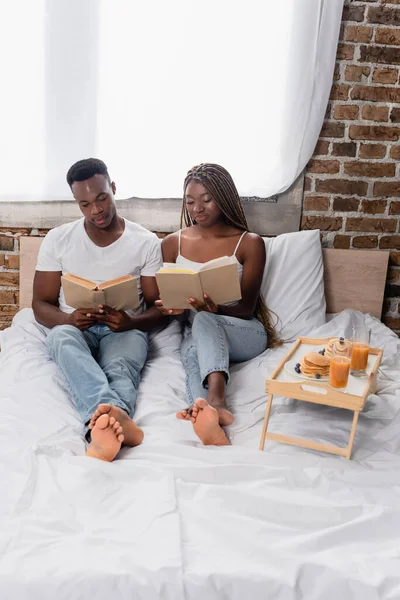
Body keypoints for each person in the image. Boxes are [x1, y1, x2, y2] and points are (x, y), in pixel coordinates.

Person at [32, 158, 165, 462]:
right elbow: (39, 304)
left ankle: (100, 433)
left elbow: (159, 309)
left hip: (124, 327)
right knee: (60, 338)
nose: (96, 210)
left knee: (120, 369)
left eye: (102, 197)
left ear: (113, 188)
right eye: (85, 204)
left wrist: (131, 320)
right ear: (77, 204)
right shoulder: (58, 239)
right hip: (75, 327)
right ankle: (115, 418)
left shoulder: (145, 242)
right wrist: (67, 318)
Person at [155, 163, 280, 447]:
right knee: (189, 352)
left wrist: (214, 310)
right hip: (198, 334)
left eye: (206, 199)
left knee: (204, 320)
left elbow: (247, 308)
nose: (197, 208)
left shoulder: (249, 243)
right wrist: (173, 309)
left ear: (223, 198)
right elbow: (175, 309)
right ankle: (205, 415)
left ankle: (217, 399)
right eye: (190, 201)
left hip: (244, 332)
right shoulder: (172, 244)